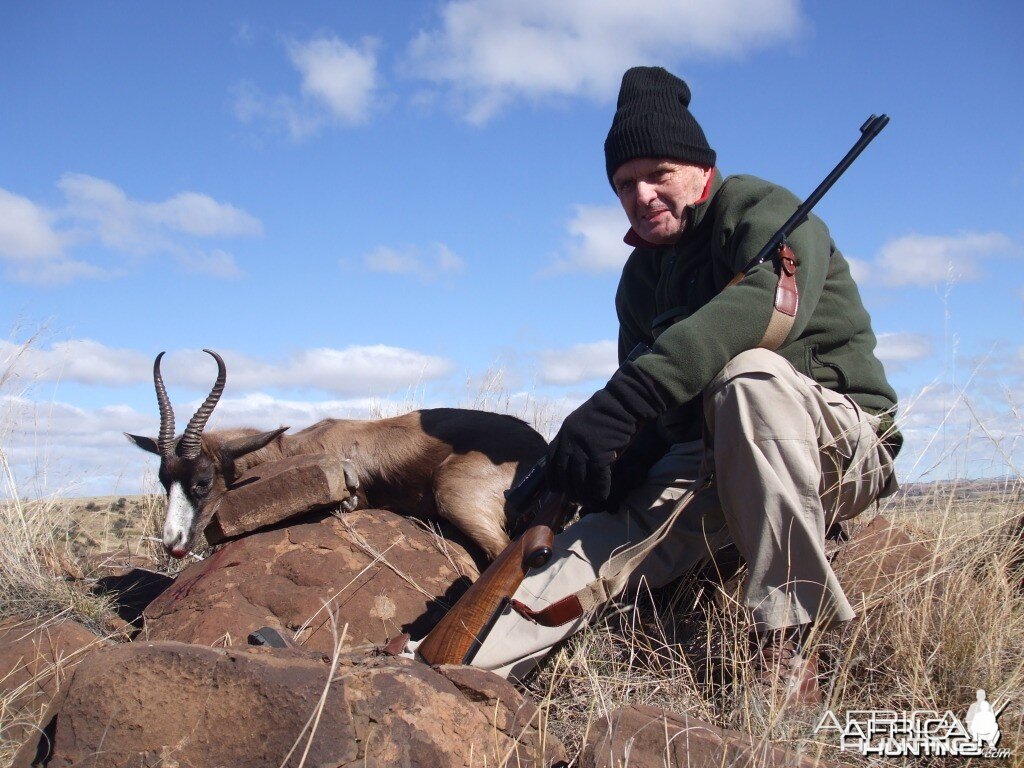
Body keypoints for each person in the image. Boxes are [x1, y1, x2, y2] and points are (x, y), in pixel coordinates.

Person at [466, 66, 901, 704]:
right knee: (597, 538)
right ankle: (456, 665)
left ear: (701, 170)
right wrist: (616, 458)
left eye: (657, 173)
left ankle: (786, 638)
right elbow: (646, 408)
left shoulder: (761, 209)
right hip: (711, 454)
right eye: (623, 184)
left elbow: (770, 309)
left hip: (832, 440)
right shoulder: (639, 279)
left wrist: (628, 400)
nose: (640, 195)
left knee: (746, 376)